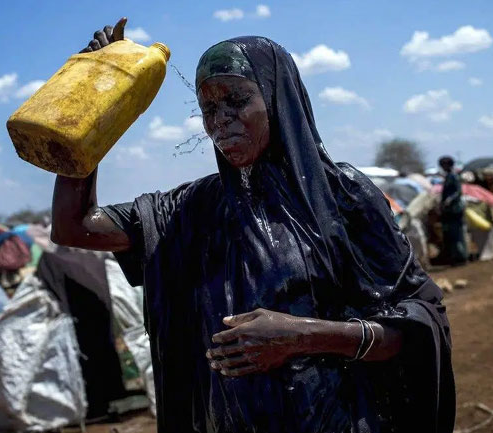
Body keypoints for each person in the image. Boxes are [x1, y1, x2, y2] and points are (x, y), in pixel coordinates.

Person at [52, 18, 454, 433]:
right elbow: (75, 226)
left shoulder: (342, 195)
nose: (220, 120)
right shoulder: (190, 209)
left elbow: (415, 324)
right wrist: (93, 95)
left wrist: (304, 336)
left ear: (278, 99)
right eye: (208, 107)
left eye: (236, 100)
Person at [438, 156, 468, 266]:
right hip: (450, 210)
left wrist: (449, 200)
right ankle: (455, 256)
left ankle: (461, 257)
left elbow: (458, 192)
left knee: (457, 234)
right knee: (452, 234)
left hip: (455, 209)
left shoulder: (454, 176)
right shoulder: (448, 176)